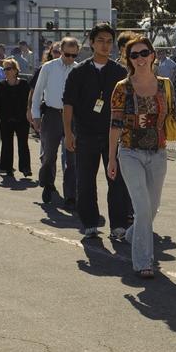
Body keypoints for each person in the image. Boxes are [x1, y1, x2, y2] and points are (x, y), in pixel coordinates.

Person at [107, 36, 176, 278]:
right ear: (128, 59)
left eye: (144, 53)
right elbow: (115, 124)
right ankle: (143, 261)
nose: (140, 58)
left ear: (153, 55)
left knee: (151, 208)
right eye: (134, 55)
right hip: (130, 152)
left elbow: (173, 116)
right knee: (142, 207)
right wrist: (112, 158)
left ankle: (132, 234)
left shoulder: (165, 85)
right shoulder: (122, 87)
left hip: (158, 152)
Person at [64, 22, 131, 239]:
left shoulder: (120, 72)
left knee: (117, 180)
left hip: (114, 135)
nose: (105, 45)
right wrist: (68, 132)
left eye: (109, 41)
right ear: (91, 43)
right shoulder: (78, 72)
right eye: (100, 40)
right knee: (85, 180)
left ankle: (118, 225)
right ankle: (90, 222)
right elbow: (68, 104)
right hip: (85, 135)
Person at [32, 36, 79, 205]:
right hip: (51, 115)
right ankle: (48, 183)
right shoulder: (48, 68)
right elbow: (37, 92)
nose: (70, 59)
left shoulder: (78, 70)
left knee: (72, 157)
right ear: (60, 52)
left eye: (74, 55)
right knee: (49, 154)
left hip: (72, 117)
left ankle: (71, 195)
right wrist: (35, 115)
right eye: (67, 55)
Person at [0, 58, 32, 179]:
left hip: (22, 119)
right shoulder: (1, 85)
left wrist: (30, 113)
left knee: (23, 144)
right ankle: (7, 167)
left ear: (16, 70)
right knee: (7, 144)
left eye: (9, 68)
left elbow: (29, 101)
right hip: (5, 119)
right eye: (4, 69)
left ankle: (25, 168)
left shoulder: (24, 84)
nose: (6, 71)